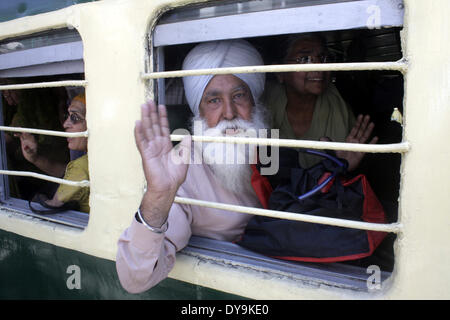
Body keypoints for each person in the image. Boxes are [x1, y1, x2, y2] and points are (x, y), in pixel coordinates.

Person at [116, 39, 268, 293]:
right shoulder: (181, 173)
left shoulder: (269, 145)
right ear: (198, 111)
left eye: (239, 95)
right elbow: (135, 279)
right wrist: (159, 195)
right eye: (213, 100)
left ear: (254, 102)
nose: (229, 113)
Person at [264, 33, 378, 171]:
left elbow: (350, 169)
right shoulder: (262, 107)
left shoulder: (338, 108)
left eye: (323, 58)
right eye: (305, 59)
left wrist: (343, 167)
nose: (319, 66)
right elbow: (265, 175)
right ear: (279, 72)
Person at [45, 93, 90, 213]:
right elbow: (65, 172)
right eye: (67, 116)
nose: (65, 124)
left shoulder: (81, 167)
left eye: (74, 117)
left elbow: (51, 206)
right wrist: (34, 158)